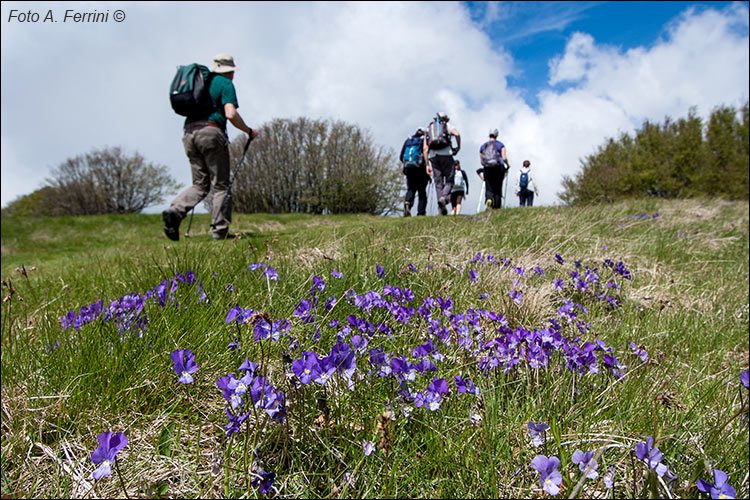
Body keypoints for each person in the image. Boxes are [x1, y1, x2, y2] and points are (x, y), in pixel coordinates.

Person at [162, 53, 259, 241]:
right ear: (230, 71)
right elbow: (230, 114)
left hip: (189, 134)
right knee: (220, 184)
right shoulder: (224, 84)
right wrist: (248, 131)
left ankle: (175, 211)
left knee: (200, 184)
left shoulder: (200, 81)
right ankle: (219, 231)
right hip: (211, 133)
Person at [423, 112, 461, 215]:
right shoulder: (447, 126)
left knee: (438, 183)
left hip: (433, 157)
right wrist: (458, 146)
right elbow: (457, 134)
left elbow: (425, 148)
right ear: (446, 119)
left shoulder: (428, 128)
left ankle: (441, 209)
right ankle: (444, 198)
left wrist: (427, 164)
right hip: (446, 154)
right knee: (450, 179)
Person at [399, 127, 430, 217]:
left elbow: (401, 157)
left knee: (411, 189)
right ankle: (421, 212)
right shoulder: (424, 140)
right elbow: (426, 154)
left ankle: (407, 202)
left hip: (409, 168)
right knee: (422, 191)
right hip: (421, 169)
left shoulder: (408, 140)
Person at [478, 129, 508, 210]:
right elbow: (504, 158)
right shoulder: (500, 145)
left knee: (489, 186)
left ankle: (489, 199)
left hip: (487, 168)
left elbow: (482, 161)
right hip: (498, 167)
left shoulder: (483, 146)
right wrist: (507, 164)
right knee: (498, 187)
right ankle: (497, 207)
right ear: (497, 135)